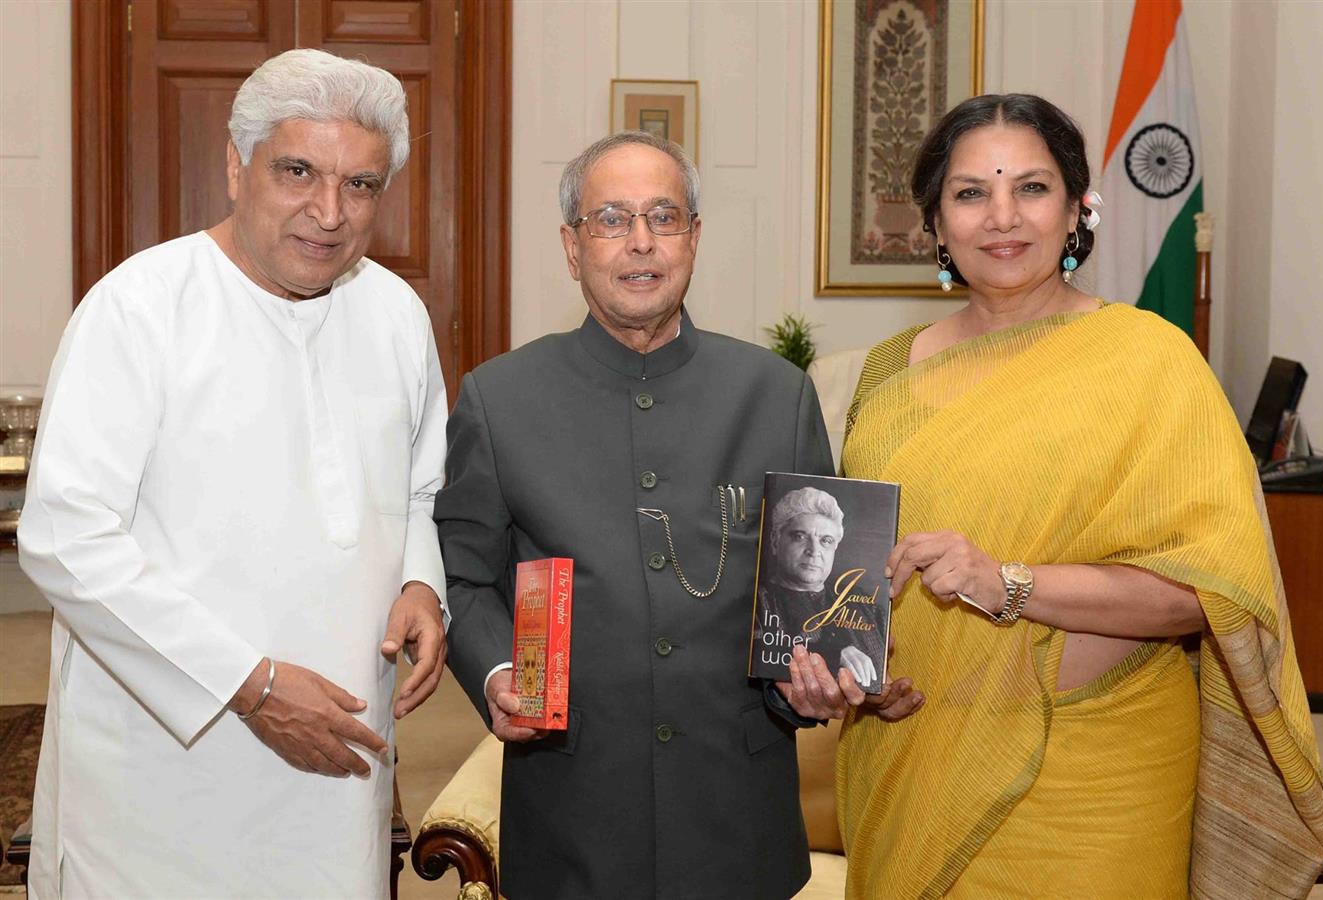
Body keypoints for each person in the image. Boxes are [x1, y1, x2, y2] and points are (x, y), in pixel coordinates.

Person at [835, 93, 1323, 898]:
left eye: (1031, 188)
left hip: (1094, 779)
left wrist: (1007, 584)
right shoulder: (889, 373)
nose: (1003, 216)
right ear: (934, 224)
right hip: (912, 755)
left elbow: (1212, 594)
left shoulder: (1150, 362)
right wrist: (854, 668)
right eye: (970, 193)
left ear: (1076, 211)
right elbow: (861, 576)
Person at [18, 49, 449, 898]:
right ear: (234, 165)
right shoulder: (140, 308)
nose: (329, 212)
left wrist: (420, 584)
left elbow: (419, 489)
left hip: (337, 767)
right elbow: (65, 539)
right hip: (166, 771)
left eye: (360, 185)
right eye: (298, 171)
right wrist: (247, 686)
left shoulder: (396, 314)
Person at [435, 130, 879, 899]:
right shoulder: (499, 399)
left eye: (663, 217)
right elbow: (463, 575)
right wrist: (501, 670)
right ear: (573, 247)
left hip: (737, 816)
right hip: (571, 809)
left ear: (694, 238)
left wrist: (810, 677)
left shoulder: (776, 396)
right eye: (611, 219)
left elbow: (815, 597)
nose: (640, 243)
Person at [758, 486, 882, 690]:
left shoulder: (864, 605)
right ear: (774, 541)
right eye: (799, 536)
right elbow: (761, 655)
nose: (814, 551)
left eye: (825, 540)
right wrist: (831, 655)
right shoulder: (759, 602)